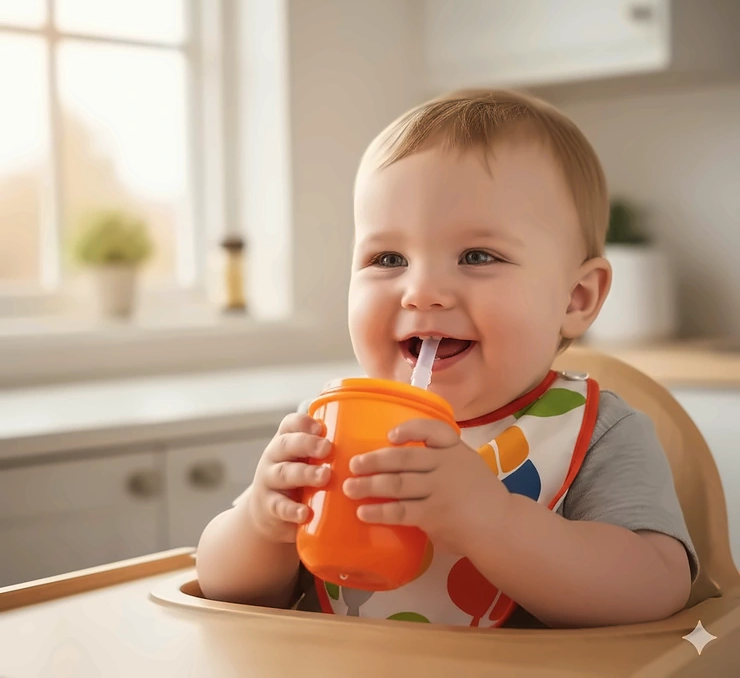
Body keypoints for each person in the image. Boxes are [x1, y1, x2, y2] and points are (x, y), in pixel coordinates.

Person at [196, 89, 697, 629]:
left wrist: (492, 519)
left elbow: (656, 587)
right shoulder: (334, 425)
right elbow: (226, 592)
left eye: (477, 256)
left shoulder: (598, 431)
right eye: (388, 258)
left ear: (575, 298)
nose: (422, 291)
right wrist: (260, 523)